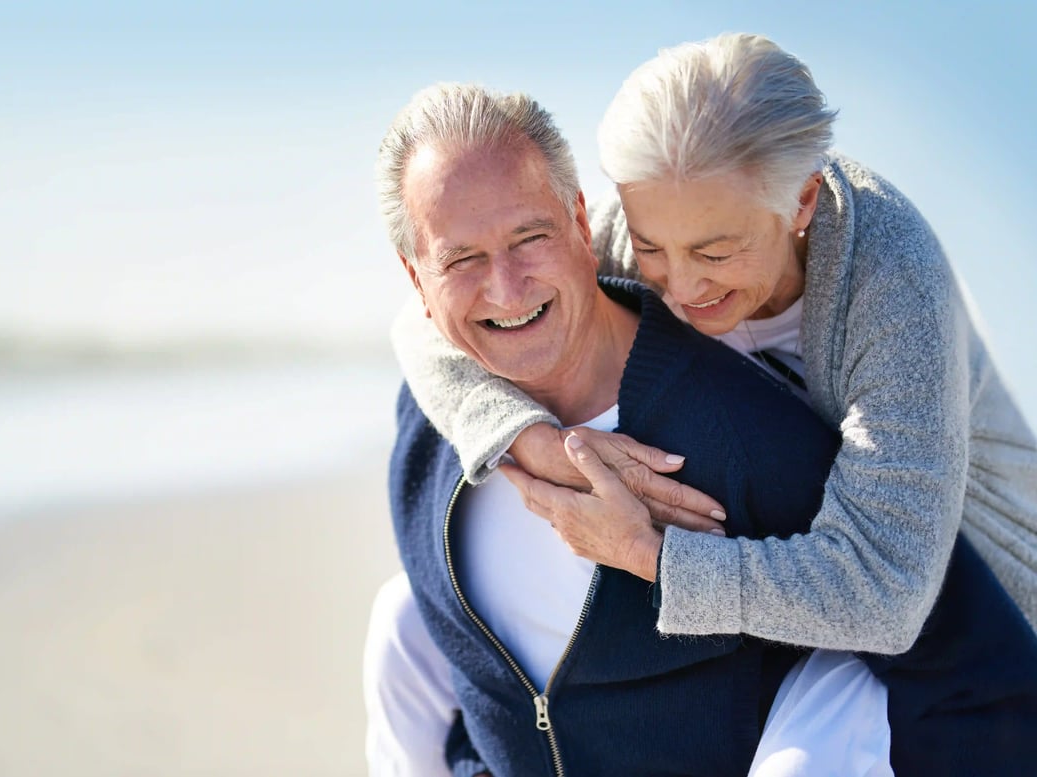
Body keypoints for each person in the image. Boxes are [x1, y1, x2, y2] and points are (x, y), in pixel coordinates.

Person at [368, 79, 1037, 776]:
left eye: (527, 238)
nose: (504, 287)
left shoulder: (779, 410)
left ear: (576, 222)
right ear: (416, 276)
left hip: (995, 575)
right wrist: (534, 441)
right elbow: (494, 699)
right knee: (397, 623)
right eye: (462, 260)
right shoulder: (433, 420)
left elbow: (943, 633)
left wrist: (655, 556)